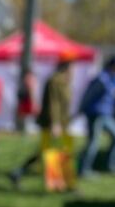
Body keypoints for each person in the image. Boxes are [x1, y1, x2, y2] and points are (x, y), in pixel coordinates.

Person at [9, 55, 74, 189]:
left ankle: (19, 172)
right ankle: (60, 183)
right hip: (54, 124)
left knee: (48, 152)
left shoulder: (64, 81)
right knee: (55, 152)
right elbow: (53, 104)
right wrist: (55, 124)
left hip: (61, 123)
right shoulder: (55, 81)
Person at [77, 56, 115, 177]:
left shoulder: (113, 78)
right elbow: (89, 95)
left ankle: (111, 166)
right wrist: (81, 109)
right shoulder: (102, 79)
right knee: (93, 142)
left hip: (106, 115)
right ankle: (84, 170)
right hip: (95, 114)